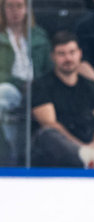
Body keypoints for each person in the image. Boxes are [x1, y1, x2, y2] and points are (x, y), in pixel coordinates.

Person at [30, 31, 94, 169]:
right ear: (53, 57)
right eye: (62, 54)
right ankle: (93, 161)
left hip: (91, 144)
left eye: (72, 52)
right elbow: (50, 123)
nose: (68, 58)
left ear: (80, 53)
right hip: (63, 147)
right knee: (47, 135)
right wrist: (83, 150)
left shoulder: (90, 86)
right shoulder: (41, 85)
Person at [0, 0, 52, 164]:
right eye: (10, 6)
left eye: (19, 6)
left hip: (36, 89)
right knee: (3, 93)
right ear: (3, 9)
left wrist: (38, 86)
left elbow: (48, 68)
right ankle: (9, 155)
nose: (15, 11)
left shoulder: (39, 36)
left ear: (27, 9)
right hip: (11, 88)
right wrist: (19, 83)